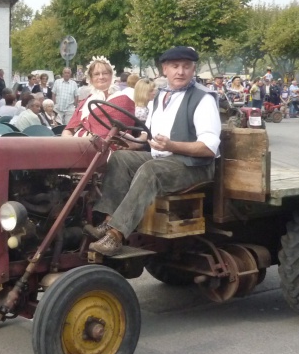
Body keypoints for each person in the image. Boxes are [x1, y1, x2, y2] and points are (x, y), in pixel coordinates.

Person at [84, 46, 221, 256]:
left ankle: (116, 235)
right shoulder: (160, 96)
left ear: (194, 69)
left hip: (194, 166)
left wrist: (172, 145)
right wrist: (131, 143)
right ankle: (109, 221)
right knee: (121, 158)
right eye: (175, 66)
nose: (180, 72)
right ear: (164, 69)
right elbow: (148, 136)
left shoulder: (203, 99)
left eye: (186, 67)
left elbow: (209, 148)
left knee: (151, 170)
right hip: (165, 158)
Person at [62, 56, 135, 138]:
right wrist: (68, 141)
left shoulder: (123, 100)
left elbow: (111, 135)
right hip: (78, 145)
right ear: (91, 79)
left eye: (105, 73)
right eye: (96, 74)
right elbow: (68, 129)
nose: (101, 77)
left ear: (111, 76)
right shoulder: (86, 102)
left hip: (105, 148)